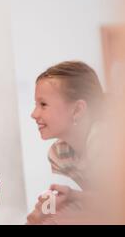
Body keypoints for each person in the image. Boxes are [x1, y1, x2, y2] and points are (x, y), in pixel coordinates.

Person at [27, 61, 105, 224]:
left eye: (43, 104)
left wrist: (73, 197)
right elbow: (79, 207)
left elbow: (116, 203)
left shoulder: (104, 139)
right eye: (36, 104)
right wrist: (42, 214)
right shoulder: (59, 153)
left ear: (77, 110)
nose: (34, 114)